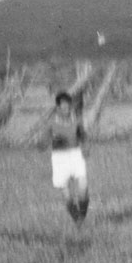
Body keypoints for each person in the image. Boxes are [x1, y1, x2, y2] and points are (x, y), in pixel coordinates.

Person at [46, 91, 89, 225]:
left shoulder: (76, 121)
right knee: (66, 193)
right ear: (58, 108)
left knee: (83, 186)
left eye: (69, 107)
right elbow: (41, 144)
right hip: (59, 158)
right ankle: (77, 219)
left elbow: (83, 136)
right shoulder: (51, 124)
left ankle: (82, 215)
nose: (67, 110)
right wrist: (53, 140)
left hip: (75, 154)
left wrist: (86, 146)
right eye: (63, 107)